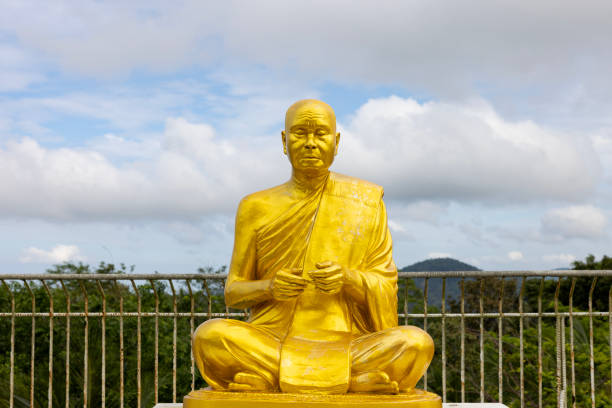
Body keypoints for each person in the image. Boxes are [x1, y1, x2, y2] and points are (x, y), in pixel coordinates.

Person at [192, 99, 434, 394]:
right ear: (284, 141)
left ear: (336, 142)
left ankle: (271, 379)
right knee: (209, 336)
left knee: (415, 343)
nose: (310, 143)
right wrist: (269, 287)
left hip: (347, 339)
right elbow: (233, 290)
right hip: (273, 339)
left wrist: (348, 279)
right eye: (299, 133)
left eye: (320, 133)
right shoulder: (254, 206)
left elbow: (384, 283)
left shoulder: (365, 201)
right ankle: (352, 381)